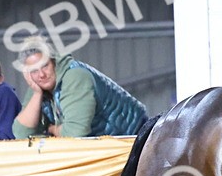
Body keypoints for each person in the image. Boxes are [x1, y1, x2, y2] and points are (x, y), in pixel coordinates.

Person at [12, 37, 147, 139]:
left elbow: (74, 133)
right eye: (34, 71)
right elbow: (21, 133)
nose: (41, 74)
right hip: (107, 146)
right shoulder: (38, 87)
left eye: (45, 66)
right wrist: (36, 94)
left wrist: (52, 130)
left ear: (54, 61)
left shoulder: (75, 77)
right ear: (27, 75)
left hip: (134, 139)